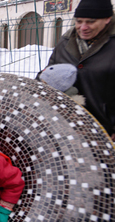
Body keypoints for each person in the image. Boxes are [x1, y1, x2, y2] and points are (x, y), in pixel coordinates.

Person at [45, 0, 115, 139]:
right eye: (79, 21)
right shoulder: (65, 42)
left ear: (107, 19)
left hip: (103, 128)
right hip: (66, 124)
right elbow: (49, 73)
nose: (83, 27)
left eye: (90, 22)